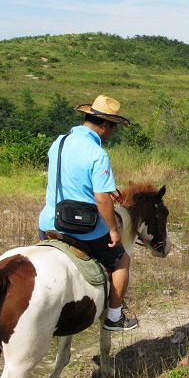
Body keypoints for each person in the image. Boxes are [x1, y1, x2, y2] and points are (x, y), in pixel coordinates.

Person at [38, 94, 138, 331]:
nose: (111, 134)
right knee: (122, 260)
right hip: (83, 228)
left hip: (49, 223)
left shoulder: (59, 142)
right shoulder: (98, 153)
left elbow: (71, 176)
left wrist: (108, 189)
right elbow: (100, 198)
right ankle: (114, 317)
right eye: (112, 129)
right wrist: (113, 230)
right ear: (105, 125)